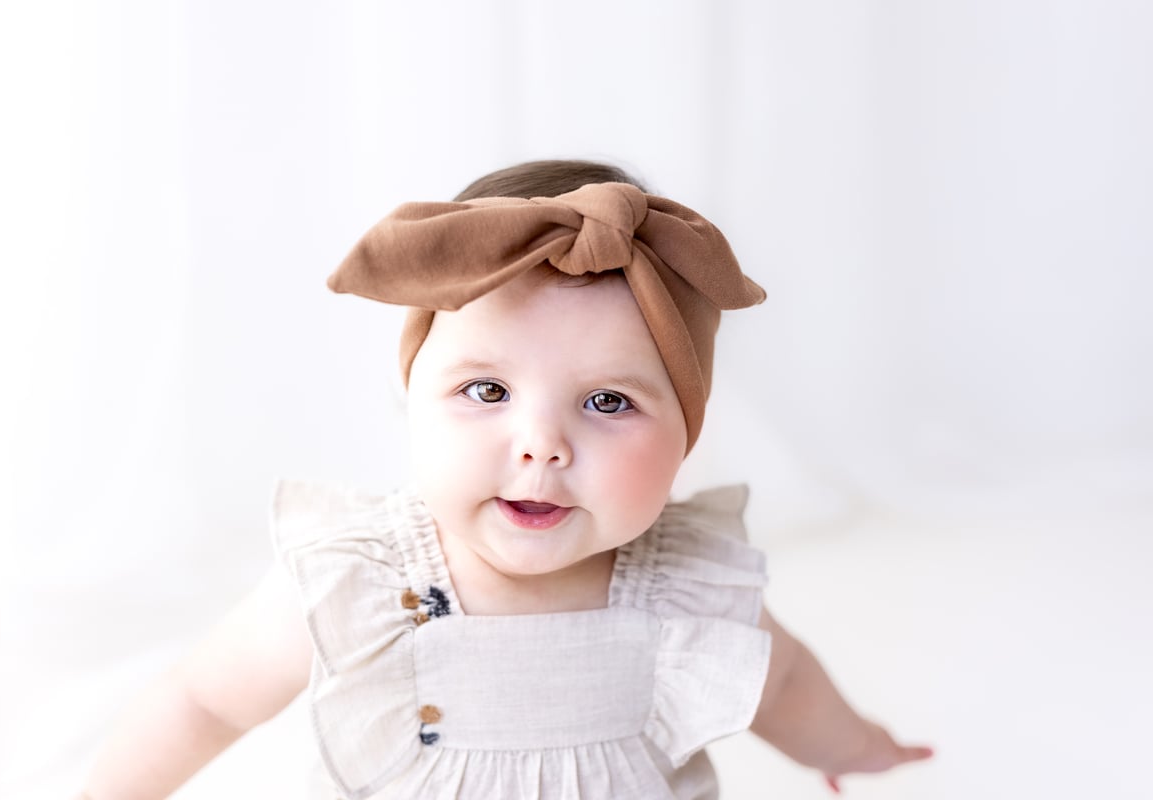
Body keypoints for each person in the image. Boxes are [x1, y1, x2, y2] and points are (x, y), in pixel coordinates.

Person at [79, 159, 932, 799]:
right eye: (485, 391)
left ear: (687, 436)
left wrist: (852, 746)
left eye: (607, 400)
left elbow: (783, 684)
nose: (543, 446)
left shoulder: (685, 589)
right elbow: (203, 702)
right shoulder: (359, 583)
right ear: (411, 398)